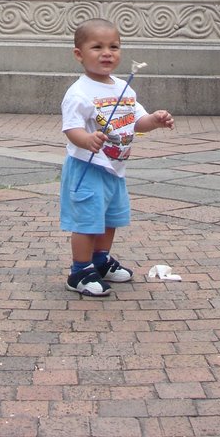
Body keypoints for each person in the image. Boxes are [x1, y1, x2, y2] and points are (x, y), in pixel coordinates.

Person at [61, 18, 174, 297]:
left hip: (114, 169)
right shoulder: (79, 92)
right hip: (88, 167)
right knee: (87, 221)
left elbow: (137, 121)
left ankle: (100, 260)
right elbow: (71, 128)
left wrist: (155, 119)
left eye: (114, 46)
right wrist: (86, 140)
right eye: (97, 47)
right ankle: (80, 271)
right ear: (79, 54)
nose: (107, 53)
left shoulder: (125, 89)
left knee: (110, 218)